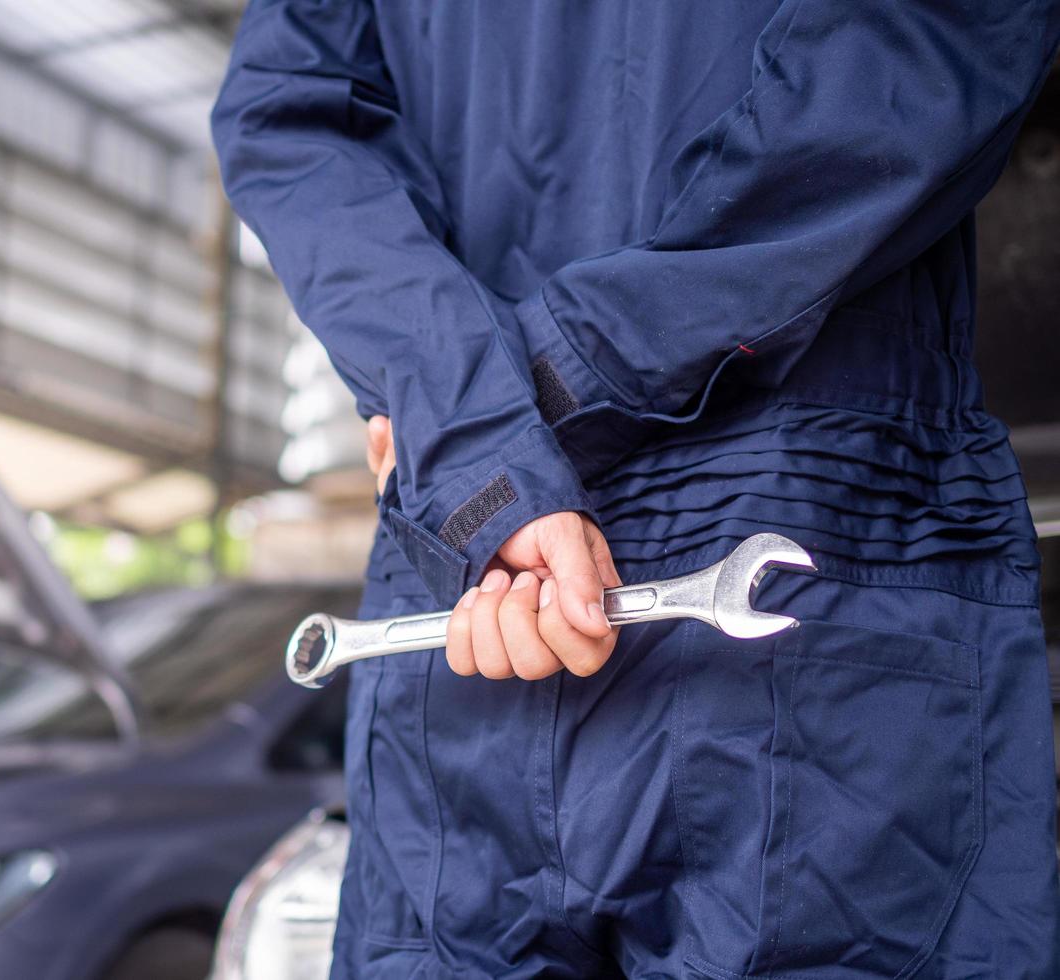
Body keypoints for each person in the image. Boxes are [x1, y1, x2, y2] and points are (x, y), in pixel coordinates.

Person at [212, 2, 1060, 976]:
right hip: (813, 571)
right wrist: (529, 399)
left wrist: (479, 434)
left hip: (480, 582)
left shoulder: (472, 444)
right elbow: (926, 51)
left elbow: (287, 110)